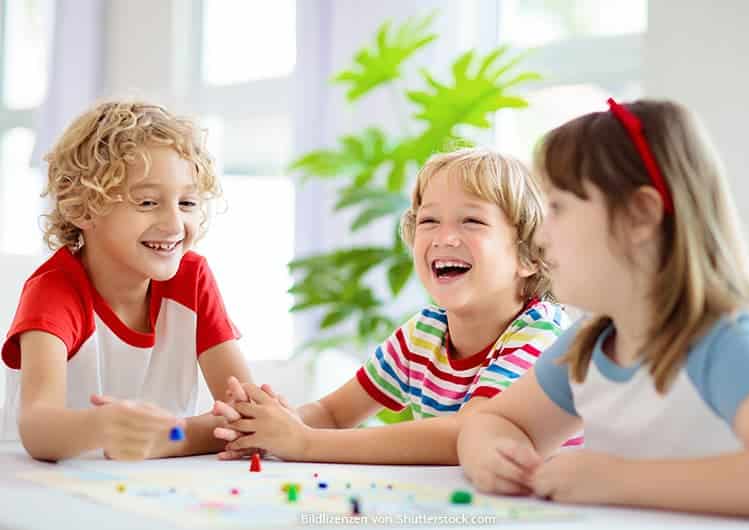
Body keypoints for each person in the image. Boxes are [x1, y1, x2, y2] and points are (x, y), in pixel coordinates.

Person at [457, 99, 749, 520]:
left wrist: (616, 480)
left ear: (641, 214)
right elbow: (493, 420)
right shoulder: (591, 344)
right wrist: (490, 453)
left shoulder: (727, 342)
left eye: (559, 208)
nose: (541, 237)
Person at [213, 147, 579, 464]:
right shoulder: (424, 333)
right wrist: (272, 425)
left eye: (472, 220)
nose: (444, 237)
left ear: (529, 255)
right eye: (429, 220)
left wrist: (305, 443)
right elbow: (333, 412)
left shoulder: (539, 332)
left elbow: (466, 436)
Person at [1, 101, 252, 461]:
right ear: (81, 208)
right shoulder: (55, 290)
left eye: (186, 202)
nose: (174, 224)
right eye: (148, 202)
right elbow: (38, 429)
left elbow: (245, 415)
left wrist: (173, 437)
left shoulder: (191, 279)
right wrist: (104, 427)